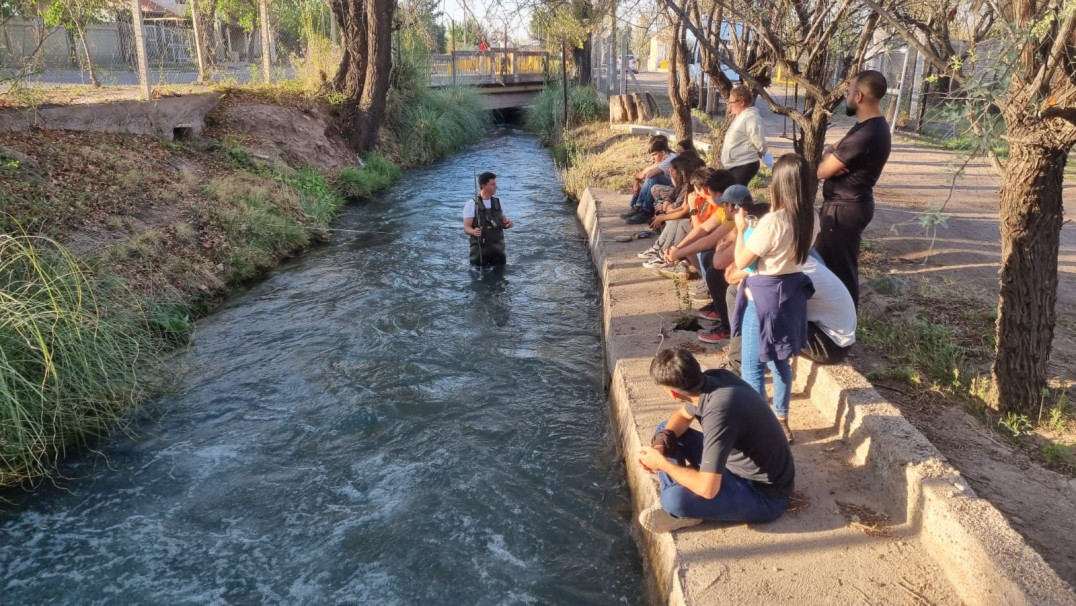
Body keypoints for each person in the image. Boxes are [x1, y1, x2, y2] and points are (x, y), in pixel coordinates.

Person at [636, 347, 795, 533]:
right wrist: (659, 448)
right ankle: (684, 487)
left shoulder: (719, 413)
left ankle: (682, 508)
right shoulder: (714, 379)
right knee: (665, 432)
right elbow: (682, 416)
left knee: (673, 500)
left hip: (765, 496)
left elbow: (708, 489)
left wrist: (662, 464)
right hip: (734, 465)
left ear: (672, 393)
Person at [729, 154, 818, 444]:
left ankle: (760, 430)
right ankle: (781, 419)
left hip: (762, 299)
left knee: (752, 368)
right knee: (780, 362)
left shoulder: (773, 222)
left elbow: (742, 261)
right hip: (790, 298)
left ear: (778, 185)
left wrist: (741, 229)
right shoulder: (812, 218)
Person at [815, 70, 892, 309]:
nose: (846, 97)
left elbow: (822, 171)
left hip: (845, 210)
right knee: (825, 263)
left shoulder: (867, 133)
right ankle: (833, 321)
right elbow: (831, 151)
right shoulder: (867, 127)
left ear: (858, 96)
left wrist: (829, 160)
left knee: (842, 271)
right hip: (844, 206)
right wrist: (830, 155)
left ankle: (844, 329)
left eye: (848, 92)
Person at [463, 171, 514, 266]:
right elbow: (466, 228)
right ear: (483, 186)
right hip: (479, 254)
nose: (496, 186)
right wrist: (473, 232)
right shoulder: (471, 204)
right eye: (492, 184)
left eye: (495, 183)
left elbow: (503, 223)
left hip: (499, 253)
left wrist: (508, 224)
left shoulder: (499, 202)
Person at [623, 138, 677, 225]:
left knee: (654, 177)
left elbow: (648, 174)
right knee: (652, 178)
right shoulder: (666, 156)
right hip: (671, 183)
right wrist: (637, 180)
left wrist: (654, 166)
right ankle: (639, 207)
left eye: (654, 154)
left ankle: (645, 210)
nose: (652, 158)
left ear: (663, 152)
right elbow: (644, 174)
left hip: (676, 187)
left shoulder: (669, 159)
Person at [721, 86, 768, 186]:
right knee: (732, 195)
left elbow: (759, 141)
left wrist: (761, 151)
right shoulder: (741, 116)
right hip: (734, 164)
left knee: (734, 196)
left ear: (742, 102)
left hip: (744, 163)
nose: (730, 105)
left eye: (732, 102)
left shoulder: (751, 118)